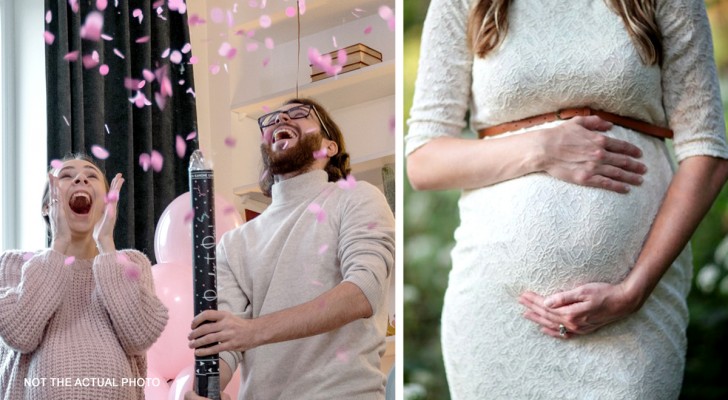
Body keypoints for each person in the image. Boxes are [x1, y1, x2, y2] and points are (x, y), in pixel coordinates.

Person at [406, 0, 728, 398]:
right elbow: (423, 161)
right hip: (497, 313)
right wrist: (542, 147)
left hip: (633, 319)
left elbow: (707, 154)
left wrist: (632, 293)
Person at [186, 98, 395, 399]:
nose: (281, 117)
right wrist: (205, 391)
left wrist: (252, 331)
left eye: (299, 113)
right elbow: (227, 345)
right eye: (270, 120)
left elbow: (363, 291)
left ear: (330, 146)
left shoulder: (357, 198)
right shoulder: (234, 243)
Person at [0, 154, 169, 400]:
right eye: (67, 176)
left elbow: (139, 337)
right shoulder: (14, 264)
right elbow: (19, 334)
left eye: (91, 176)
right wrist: (59, 244)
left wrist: (106, 244)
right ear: (47, 206)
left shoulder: (130, 263)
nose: (80, 178)